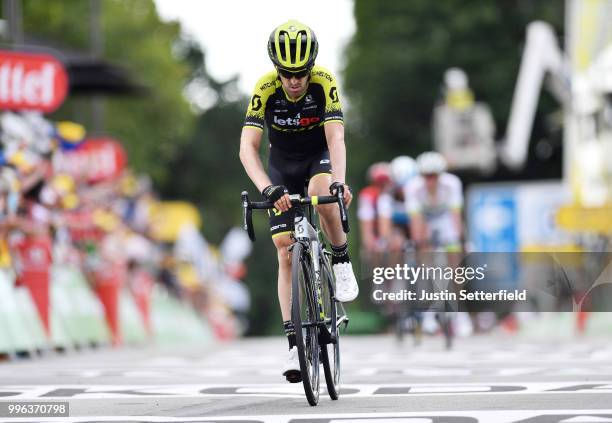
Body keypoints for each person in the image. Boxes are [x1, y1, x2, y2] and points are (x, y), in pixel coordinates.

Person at [239, 20, 358, 383]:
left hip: (317, 155)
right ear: (277, 69)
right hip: (281, 165)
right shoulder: (265, 88)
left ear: (311, 69)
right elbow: (247, 148)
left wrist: (339, 181)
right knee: (283, 249)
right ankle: (294, 343)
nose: (294, 81)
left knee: (321, 200)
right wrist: (266, 189)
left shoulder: (324, 82)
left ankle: (340, 258)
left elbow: (336, 137)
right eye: (287, 74)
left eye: (300, 74)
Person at [405, 151, 472, 337]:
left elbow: (455, 216)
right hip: (426, 220)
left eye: (434, 176)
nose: (430, 180)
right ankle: (429, 315)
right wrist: (420, 242)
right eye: (426, 176)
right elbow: (415, 220)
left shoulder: (452, 184)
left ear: (440, 175)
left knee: (455, 264)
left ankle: (460, 315)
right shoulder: (413, 187)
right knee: (426, 263)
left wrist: (458, 240)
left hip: (444, 219)